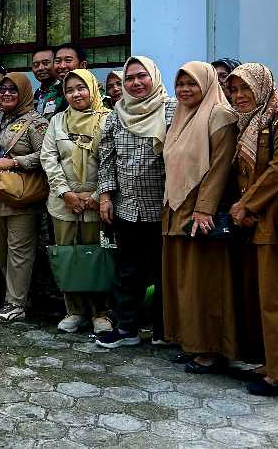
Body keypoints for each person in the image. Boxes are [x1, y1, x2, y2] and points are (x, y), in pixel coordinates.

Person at [160, 61, 249, 375]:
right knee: (183, 282)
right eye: (180, 84)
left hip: (199, 211)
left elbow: (220, 167)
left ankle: (211, 349)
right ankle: (191, 342)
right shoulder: (181, 117)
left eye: (191, 84)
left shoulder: (219, 115)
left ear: (207, 84)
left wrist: (204, 208)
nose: (184, 90)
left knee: (204, 281)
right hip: (176, 207)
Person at [228, 63, 278, 396]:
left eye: (245, 88)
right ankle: (276, 362)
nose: (239, 96)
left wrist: (248, 204)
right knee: (269, 297)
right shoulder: (250, 123)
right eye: (233, 90)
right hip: (264, 220)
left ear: (262, 86)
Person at [95, 56, 176, 349]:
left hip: (164, 207)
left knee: (163, 271)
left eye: (142, 76)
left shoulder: (173, 110)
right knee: (127, 272)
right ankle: (126, 328)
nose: (136, 83)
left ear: (154, 77)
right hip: (127, 206)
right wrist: (105, 196)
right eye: (130, 79)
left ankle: (163, 330)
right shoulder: (117, 113)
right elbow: (106, 159)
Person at [40, 70, 111, 334]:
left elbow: (111, 160)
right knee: (68, 255)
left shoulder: (108, 120)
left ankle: (100, 312)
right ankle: (74, 310)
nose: (76, 94)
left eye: (81, 88)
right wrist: (66, 193)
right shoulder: (57, 121)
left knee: (97, 255)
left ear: (93, 88)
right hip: (63, 203)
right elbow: (49, 158)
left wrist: (95, 196)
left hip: (97, 201)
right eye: (70, 90)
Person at [0, 73, 49, 324]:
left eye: (12, 90)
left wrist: (17, 161)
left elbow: (46, 155)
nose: (6, 93)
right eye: (3, 89)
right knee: (2, 252)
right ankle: (15, 298)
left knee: (20, 253)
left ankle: (15, 305)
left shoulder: (36, 122)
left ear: (24, 93)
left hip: (22, 198)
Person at [32, 47, 64, 118]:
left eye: (45, 63)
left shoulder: (65, 92)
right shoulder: (35, 95)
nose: (40, 68)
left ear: (56, 64)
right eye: (36, 65)